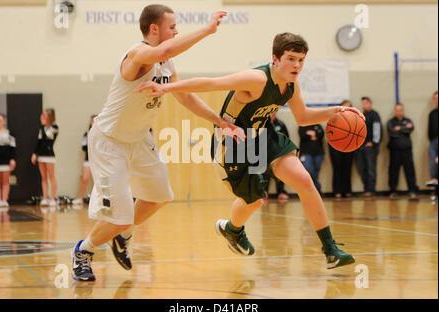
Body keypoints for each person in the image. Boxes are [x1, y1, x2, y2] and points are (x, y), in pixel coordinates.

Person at [137, 32, 366, 269]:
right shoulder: (257, 79)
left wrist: (335, 111)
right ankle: (232, 229)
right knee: (255, 201)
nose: (297, 65)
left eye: (301, 60)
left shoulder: (290, 85)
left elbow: (303, 116)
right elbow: (211, 83)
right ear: (275, 58)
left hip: (262, 136)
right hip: (232, 144)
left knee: (304, 181)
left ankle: (330, 250)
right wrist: (166, 88)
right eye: (291, 58)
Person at [71, 5, 243, 282]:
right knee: (120, 217)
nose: (176, 32)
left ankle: (120, 234)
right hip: (110, 141)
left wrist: (219, 121)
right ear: (154, 28)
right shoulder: (137, 54)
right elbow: (164, 51)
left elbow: (184, 96)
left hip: (139, 138)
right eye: (172, 27)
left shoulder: (167, 63)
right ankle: (83, 251)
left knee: (159, 197)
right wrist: (207, 30)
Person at [387, 103, 418, 198]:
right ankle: (393, 191)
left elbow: (410, 129)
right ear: (395, 111)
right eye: (397, 110)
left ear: (403, 110)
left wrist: (399, 128)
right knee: (393, 171)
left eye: (400, 110)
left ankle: (412, 190)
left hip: (407, 151)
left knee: (410, 171)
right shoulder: (391, 122)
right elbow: (392, 132)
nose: (399, 112)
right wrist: (404, 129)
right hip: (395, 151)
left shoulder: (408, 120)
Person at [31, 109, 59, 206]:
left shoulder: (54, 127)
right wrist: (35, 153)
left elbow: (48, 136)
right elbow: (39, 142)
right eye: (42, 115)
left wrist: (44, 125)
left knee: (51, 176)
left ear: (49, 117)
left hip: (49, 155)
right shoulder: (41, 127)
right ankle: (45, 198)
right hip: (41, 155)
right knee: (43, 177)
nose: (42, 117)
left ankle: (53, 199)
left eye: (44, 115)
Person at [356, 96, 382, 197]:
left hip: (370, 147)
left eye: (366, 103)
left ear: (370, 104)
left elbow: (377, 129)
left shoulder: (374, 115)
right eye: (362, 103)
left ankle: (371, 189)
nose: (364, 105)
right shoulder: (361, 115)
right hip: (360, 146)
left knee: (371, 168)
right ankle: (366, 188)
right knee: (361, 168)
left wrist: (374, 142)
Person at [329, 100, 355, 199]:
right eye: (345, 107)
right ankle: (337, 191)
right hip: (336, 146)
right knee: (337, 168)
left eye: (349, 107)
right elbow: (330, 132)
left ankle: (347, 191)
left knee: (347, 168)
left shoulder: (354, 119)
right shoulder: (335, 118)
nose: (346, 109)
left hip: (349, 146)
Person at [263, 111, 290, 201]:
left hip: (278, 153)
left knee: (280, 174)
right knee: (265, 174)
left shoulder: (281, 124)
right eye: (271, 112)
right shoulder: (263, 124)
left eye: (274, 112)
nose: (273, 114)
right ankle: (264, 192)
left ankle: (281, 192)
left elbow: (286, 138)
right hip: (265, 153)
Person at [72, 115, 96, 206]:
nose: (94, 123)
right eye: (92, 121)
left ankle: (96, 201)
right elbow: (84, 147)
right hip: (88, 160)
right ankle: (80, 198)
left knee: (97, 182)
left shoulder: (101, 133)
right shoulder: (87, 133)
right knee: (85, 179)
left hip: (97, 162)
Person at [298, 123, 324, 193]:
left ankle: (313, 191)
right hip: (306, 153)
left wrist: (310, 134)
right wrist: (314, 135)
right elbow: (303, 135)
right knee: (309, 171)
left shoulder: (318, 125)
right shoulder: (302, 125)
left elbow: (321, 135)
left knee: (316, 172)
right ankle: (317, 188)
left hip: (318, 153)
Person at [426, 91, 438, 186]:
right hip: (434, 140)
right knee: (433, 161)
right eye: (435, 98)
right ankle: (434, 178)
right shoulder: (432, 114)